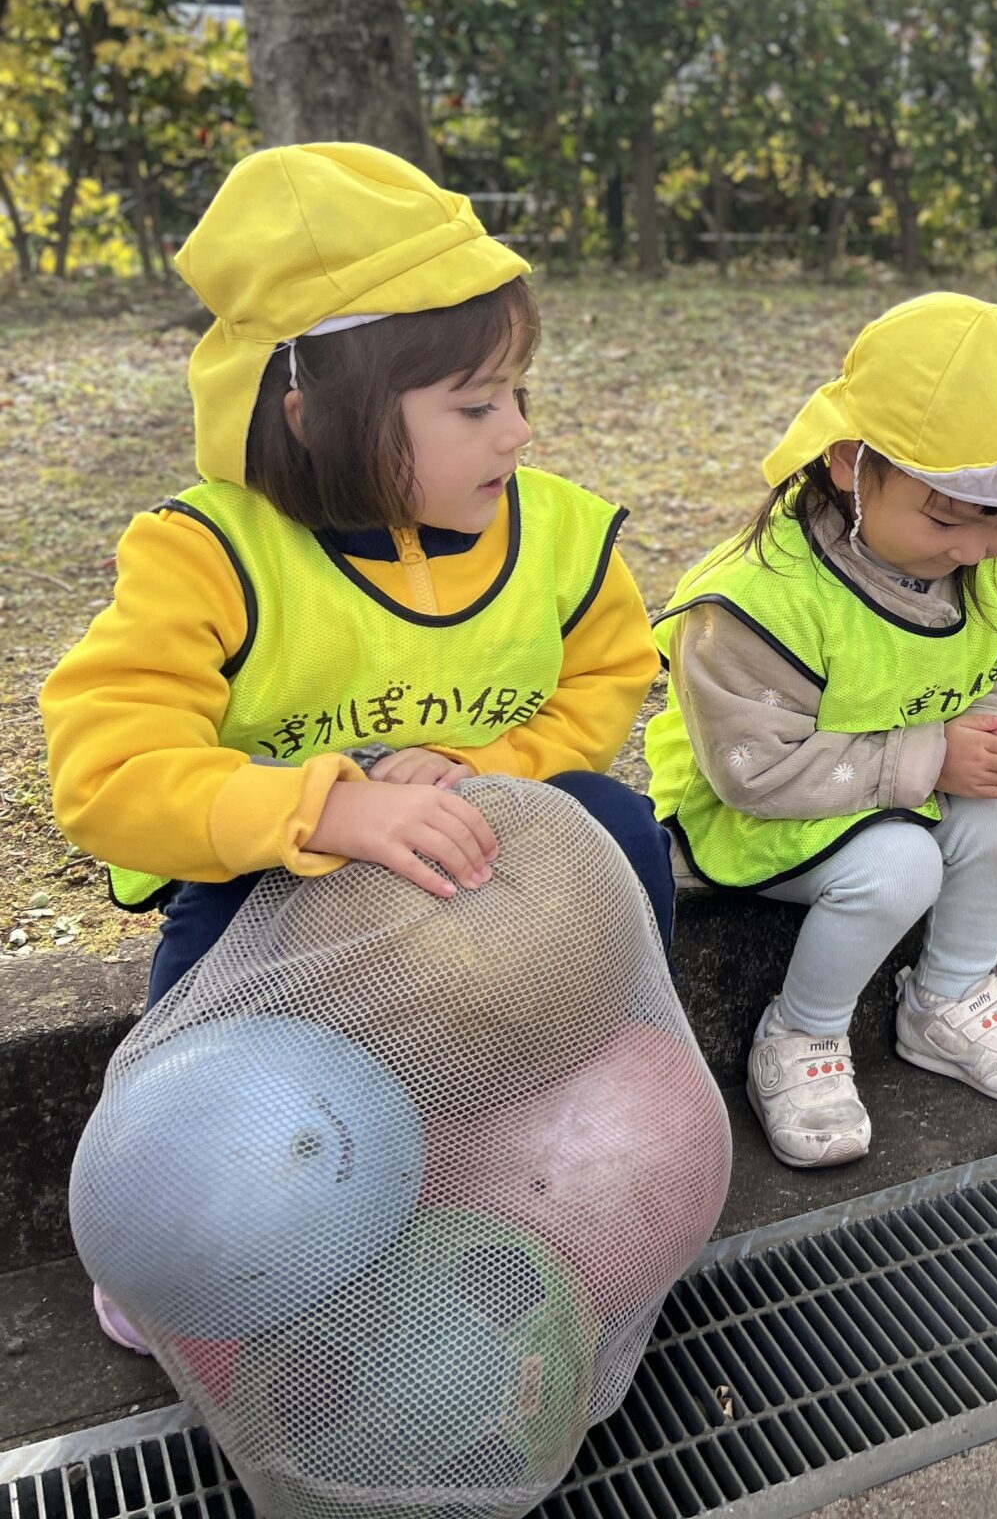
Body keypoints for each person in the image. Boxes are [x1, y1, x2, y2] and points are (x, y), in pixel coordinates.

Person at [41, 142, 671, 1347]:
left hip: (490, 864)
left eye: (521, 394)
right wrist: (322, 810)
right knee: (222, 938)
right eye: (476, 407)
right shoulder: (205, 554)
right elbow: (107, 771)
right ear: (311, 414)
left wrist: (501, 776)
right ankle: (184, 1201)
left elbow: (607, 670)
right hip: (283, 886)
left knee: (618, 825)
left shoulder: (555, 539)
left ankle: (555, 1111)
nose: (519, 435)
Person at [646, 293, 997, 1170]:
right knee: (899, 866)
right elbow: (755, 772)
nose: (977, 550)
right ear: (850, 464)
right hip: (765, 807)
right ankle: (800, 1035)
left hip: (907, 776)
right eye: (947, 517)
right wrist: (935, 757)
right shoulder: (752, 601)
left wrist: (994, 742)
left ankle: (945, 1000)